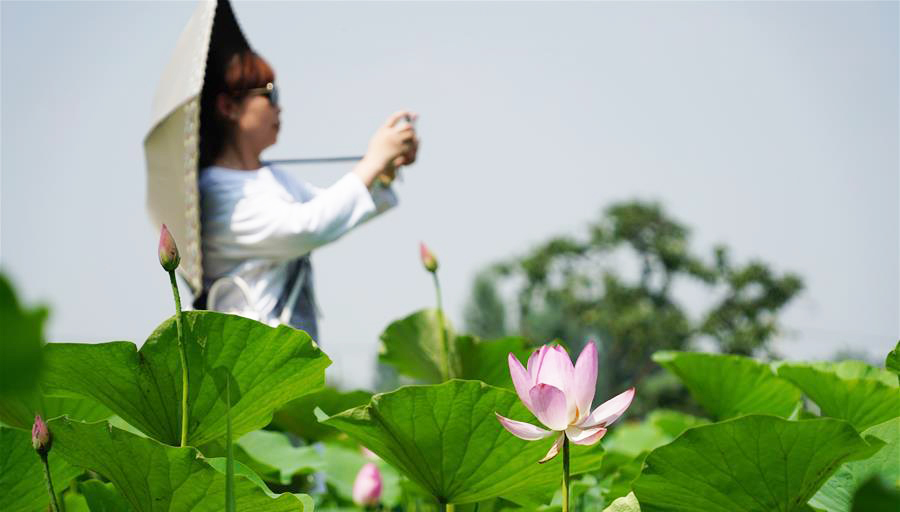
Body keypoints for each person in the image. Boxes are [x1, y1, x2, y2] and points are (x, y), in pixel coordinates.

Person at [195, 49, 418, 341]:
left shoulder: (270, 176)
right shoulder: (217, 192)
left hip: (280, 351)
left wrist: (384, 168)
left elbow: (332, 207)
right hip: (243, 357)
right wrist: (373, 161)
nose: (280, 108)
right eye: (269, 94)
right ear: (228, 106)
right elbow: (308, 226)